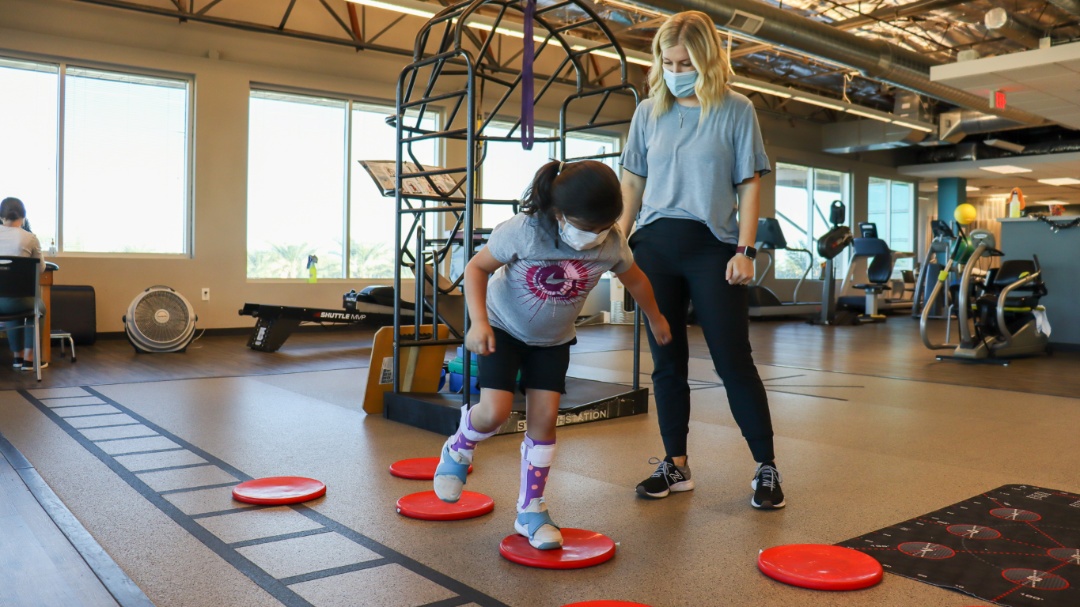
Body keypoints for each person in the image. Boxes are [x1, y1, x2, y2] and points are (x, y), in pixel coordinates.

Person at [432, 159, 672, 549]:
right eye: (586, 226)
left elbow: (637, 279)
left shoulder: (611, 242)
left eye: (602, 227)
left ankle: (531, 510)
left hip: (554, 340)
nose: (594, 236)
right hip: (503, 328)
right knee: (494, 413)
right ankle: (459, 447)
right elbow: (477, 269)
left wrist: (656, 318)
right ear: (559, 213)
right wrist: (478, 322)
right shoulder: (524, 232)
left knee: (544, 424)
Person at [618, 11, 784, 509]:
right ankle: (676, 466)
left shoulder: (737, 110)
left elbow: (749, 183)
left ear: (707, 61)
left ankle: (766, 466)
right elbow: (632, 183)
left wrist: (745, 249)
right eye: (667, 62)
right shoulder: (648, 112)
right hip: (652, 247)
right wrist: (618, 246)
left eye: (684, 62)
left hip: (713, 247)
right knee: (667, 364)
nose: (674, 70)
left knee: (733, 360)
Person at [0, 197, 47, 372]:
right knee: (37, 306)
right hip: (17, 302)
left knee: (12, 303)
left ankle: (16, 357)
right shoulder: (29, 238)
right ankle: (28, 359)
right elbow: (40, 269)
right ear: (24, 216)